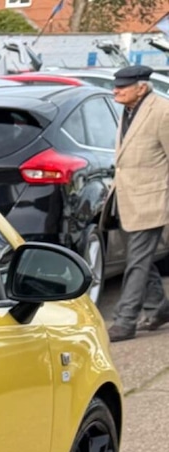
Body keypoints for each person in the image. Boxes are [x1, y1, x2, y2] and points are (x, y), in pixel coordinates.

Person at [108, 64, 169, 342]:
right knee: (139, 259)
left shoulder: (162, 112)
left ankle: (125, 321)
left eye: (122, 86)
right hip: (126, 198)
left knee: (137, 261)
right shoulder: (130, 109)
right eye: (116, 85)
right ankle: (158, 308)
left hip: (151, 199)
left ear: (142, 87)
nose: (116, 91)